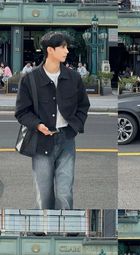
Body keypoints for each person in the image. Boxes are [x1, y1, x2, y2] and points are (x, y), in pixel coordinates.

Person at [15, 31, 90, 209]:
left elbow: (83, 105)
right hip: (41, 142)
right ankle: (44, 229)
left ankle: (65, 231)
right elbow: (21, 112)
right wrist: (38, 125)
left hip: (67, 140)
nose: (67, 51)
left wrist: (75, 127)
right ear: (50, 50)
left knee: (65, 194)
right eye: (62, 47)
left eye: (67, 47)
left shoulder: (73, 78)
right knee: (44, 195)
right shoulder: (30, 80)